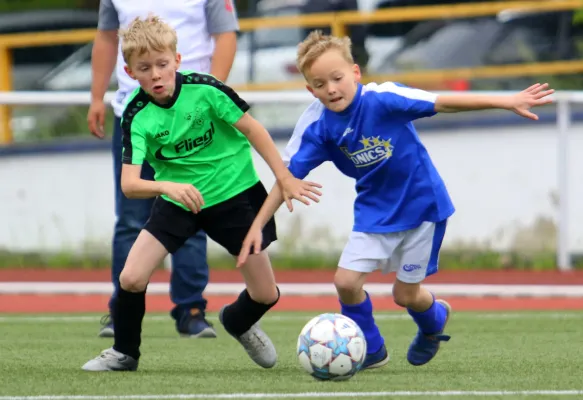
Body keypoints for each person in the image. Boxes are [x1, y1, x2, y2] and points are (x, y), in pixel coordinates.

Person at [237, 30, 554, 369]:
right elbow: (285, 179)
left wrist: (506, 101)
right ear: (309, 89)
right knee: (345, 283)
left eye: (337, 78)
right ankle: (373, 350)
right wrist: (259, 225)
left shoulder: (383, 98)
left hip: (422, 209)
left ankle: (433, 323)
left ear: (355, 73)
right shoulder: (317, 126)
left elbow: (443, 102)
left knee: (405, 296)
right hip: (374, 211)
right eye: (319, 83)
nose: (330, 88)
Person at [81, 15, 322, 372]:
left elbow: (253, 129)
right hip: (179, 200)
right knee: (131, 277)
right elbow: (130, 185)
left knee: (266, 294)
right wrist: (167, 186)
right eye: (145, 68)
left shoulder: (207, 89)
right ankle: (124, 352)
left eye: (163, 65)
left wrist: (283, 177)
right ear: (131, 73)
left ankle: (238, 321)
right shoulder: (135, 113)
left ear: (177, 61)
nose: (157, 75)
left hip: (235, 194)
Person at [87, 0, 239, 338]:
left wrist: (208, 96)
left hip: (191, 118)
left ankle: (191, 309)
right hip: (134, 115)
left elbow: (225, 36)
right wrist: (97, 96)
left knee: (192, 208)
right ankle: (121, 308)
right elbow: (107, 37)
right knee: (130, 218)